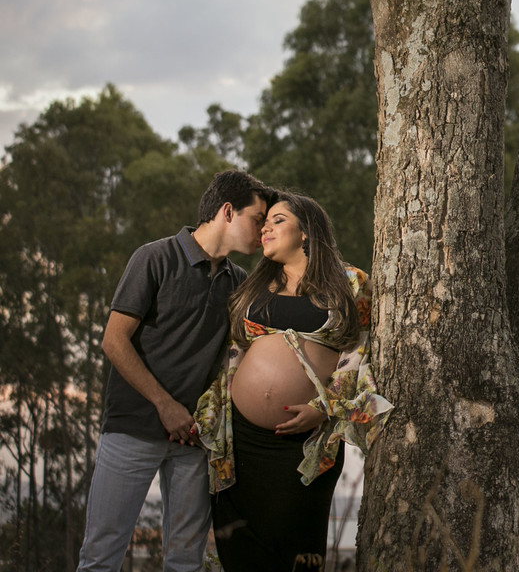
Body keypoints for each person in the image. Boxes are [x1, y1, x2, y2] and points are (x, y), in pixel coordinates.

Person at [76, 169, 272, 572]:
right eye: (258, 219)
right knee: (100, 556)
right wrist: (164, 404)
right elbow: (114, 341)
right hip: (132, 429)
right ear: (228, 212)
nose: (263, 230)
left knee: (185, 561)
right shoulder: (154, 258)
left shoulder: (238, 282)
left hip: (193, 441)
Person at [194, 191, 392, 572]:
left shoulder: (350, 283)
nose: (265, 226)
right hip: (241, 441)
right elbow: (234, 353)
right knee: (239, 548)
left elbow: (359, 352)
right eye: (264, 220)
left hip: (305, 443)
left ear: (307, 231)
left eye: (278, 220)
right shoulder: (252, 289)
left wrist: (323, 409)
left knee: (298, 550)